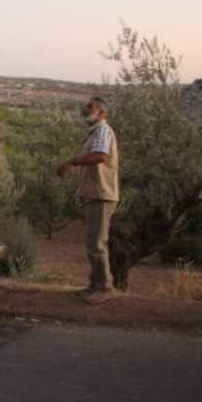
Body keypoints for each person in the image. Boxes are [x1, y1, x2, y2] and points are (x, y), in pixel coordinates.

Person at [57, 97, 120, 304]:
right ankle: (95, 285)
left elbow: (100, 156)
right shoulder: (94, 133)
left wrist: (72, 162)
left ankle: (105, 288)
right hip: (94, 194)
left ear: (101, 112)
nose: (85, 109)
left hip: (101, 195)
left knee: (97, 243)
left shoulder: (102, 131)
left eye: (90, 106)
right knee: (94, 242)